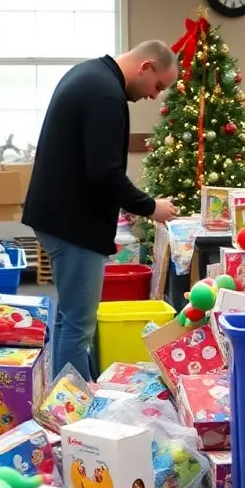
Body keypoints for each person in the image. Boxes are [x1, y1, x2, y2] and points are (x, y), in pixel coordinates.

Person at [23, 41, 180, 379]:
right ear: (145, 67)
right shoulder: (106, 94)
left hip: (59, 215)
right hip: (75, 223)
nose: (155, 96)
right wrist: (151, 206)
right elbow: (104, 172)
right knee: (79, 326)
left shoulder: (89, 73)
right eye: (158, 86)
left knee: (69, 319)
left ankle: (63, 397)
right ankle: (74, 413)